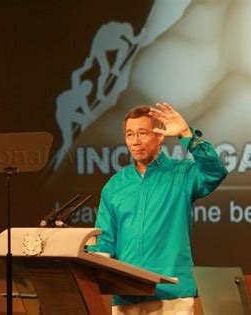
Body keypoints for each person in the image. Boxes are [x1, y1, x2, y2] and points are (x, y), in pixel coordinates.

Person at [87, 103, 228, 314]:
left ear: (160, 136)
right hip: (126, 298)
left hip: (171, 295)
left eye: (143, 133)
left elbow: (215, 172)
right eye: (129, 134)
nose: (135, 141)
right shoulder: (115, 186)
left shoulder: (182, 173)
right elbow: (104, 242)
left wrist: (187, 135)